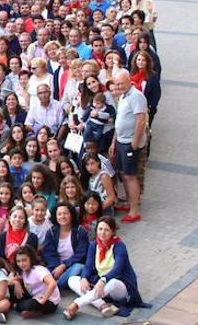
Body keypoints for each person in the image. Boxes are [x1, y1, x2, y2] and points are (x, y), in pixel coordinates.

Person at [63, 216, 149, 319]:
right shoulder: (94, 245)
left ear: (112, 232)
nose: (102, 233)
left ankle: (76, 305)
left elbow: (118, 269)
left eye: (106, 230)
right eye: (100, 229)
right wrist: (84, 278)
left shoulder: (119, 246)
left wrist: (103, 280)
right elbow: (88, 266)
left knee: (112, 282)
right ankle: (102, 305)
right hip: (101, 286)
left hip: (119, 286)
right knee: (72, 280)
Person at [111, 69, 147, 223]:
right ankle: (128, 201)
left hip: (130, 144)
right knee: (123, 174)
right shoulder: (123, 96)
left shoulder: (136, 96)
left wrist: (135, 142)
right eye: (116, 84)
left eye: (121, 84)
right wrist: (115, 141)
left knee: (130, 176)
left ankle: (134, 210)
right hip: (121, 141)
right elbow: (120, 120)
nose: (118, 87)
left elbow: (141, 120)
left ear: (129, 81)